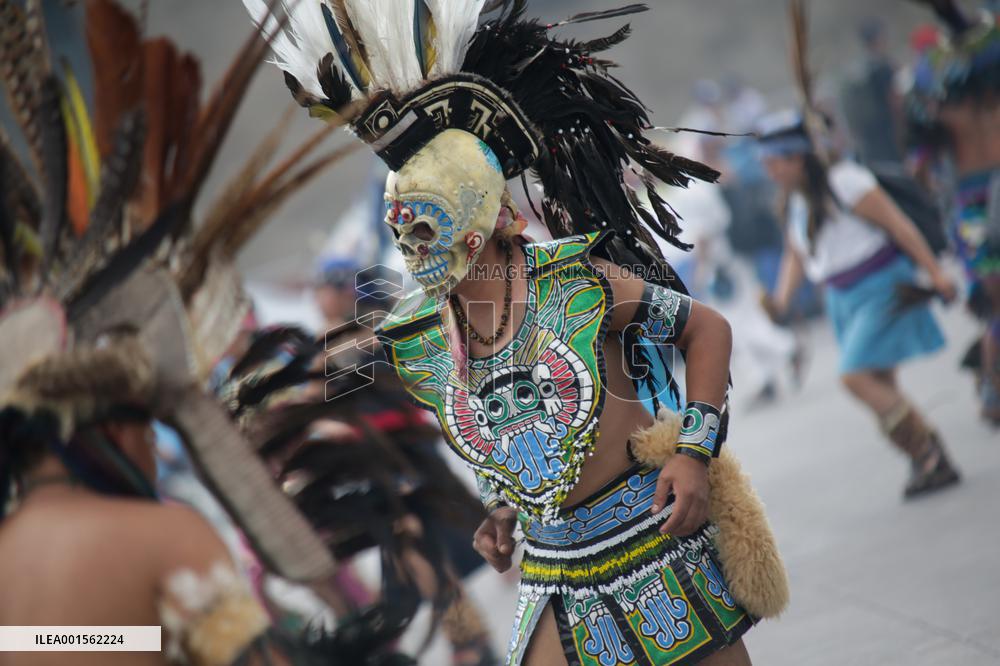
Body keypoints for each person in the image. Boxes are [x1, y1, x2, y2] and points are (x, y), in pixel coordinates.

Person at [248, 1, 790, 664]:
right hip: (553, 570)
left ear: (477, 216)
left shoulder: (576, 282)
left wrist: (693, 455)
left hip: (651, 538)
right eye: (399, 231)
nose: (410, 250)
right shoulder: (420, 330)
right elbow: (469, 420)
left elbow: (707, 329)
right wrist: (501, 507)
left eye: (425, 226)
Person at [759, 109, 961, 499]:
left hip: (882, 286)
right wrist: (781, 302)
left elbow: (898, 226)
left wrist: (935, 272)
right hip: (841, 298)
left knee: (855, 376)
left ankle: (929, 450)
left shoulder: (846, 181)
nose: (770, 171)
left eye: (774, 161)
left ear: (798, 156)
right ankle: (926, 460)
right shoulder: (795, 200)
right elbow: (796, 255)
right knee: (879, 383)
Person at [905, 0, 1000, 424]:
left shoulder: (944, 103)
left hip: (972, 203)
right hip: (973, 205)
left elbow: (920, 170)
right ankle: (992, 383)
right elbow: (920, 167)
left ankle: (990, 382)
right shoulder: (941, 107)